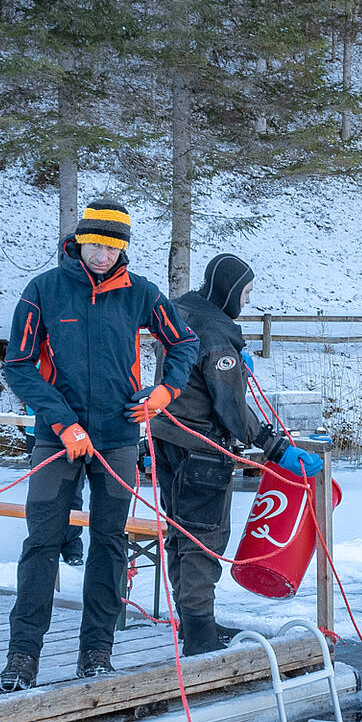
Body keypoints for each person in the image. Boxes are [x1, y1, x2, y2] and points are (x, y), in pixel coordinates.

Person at [0, 199, 199, 691]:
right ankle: (22, 656)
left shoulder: (142, 293)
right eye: (95, 244)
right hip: (56, 438)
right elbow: (18, 363)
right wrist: (63, 422)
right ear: (79, 241)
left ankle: (96, 652)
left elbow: (184, 343)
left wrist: (164, 391)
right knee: (41, 542)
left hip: (119, 436)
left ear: (123, 249)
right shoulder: (43, 289)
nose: (103, 255)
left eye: (113, 247)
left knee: (109, 543)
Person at [149, 254, 323, 656]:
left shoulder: (182, 309)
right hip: (201, 449)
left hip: (165, 439)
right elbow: (230, 408)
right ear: (228, 290)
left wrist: (231, 364)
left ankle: (194, 623)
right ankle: (199, 638)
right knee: (202, 539)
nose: (245, 302)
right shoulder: (215, 332)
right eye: (244, 293)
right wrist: (276, 447)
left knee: (180, 532)